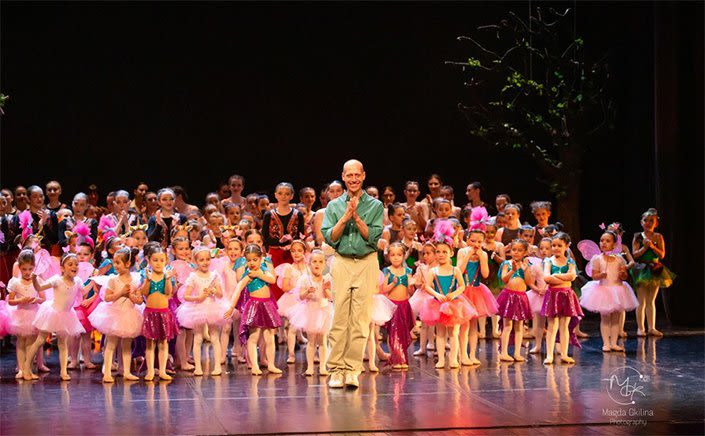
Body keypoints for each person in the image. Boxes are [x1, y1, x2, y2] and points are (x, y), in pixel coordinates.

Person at [322, 159, 383, 389]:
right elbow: (330, 237)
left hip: (366, 262)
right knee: (339, 318)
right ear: (343, 177)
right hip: (342, 261)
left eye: (357, 174)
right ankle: (336, 369)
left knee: (360, 319)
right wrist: (345, 216)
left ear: (364, 176)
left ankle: (352, 369)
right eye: (349, 175)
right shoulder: (334, 206)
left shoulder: (375, 206)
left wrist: (356, 217)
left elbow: (372, 237)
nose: (354, 179)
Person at [25, 253, 86, 380]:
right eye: (70, 264)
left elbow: (84, 291)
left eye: (76, 264)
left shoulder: (78, 281)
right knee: (40, 340)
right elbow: (39, 287)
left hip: (67, 315)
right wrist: (34, 278)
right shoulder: (57, 280)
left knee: (63, 343)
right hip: (52, 312)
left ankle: (63, 372)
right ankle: (26, 368)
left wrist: (95, 281)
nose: (74, 266)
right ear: (62, 268)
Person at [224, 244, 282, 376]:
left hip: (267, 305)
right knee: (254, 336)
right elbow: (238, 288)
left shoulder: (263, 270)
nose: (252, 263)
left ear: (261, 259)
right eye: (249, 260)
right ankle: (255, 366)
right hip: (255, 306)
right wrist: (232, 307)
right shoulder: (249, 275)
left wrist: (259, 274)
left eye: (255, 260)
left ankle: (271, 364)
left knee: (269, 337)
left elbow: (272, 280)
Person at [88, 247, 144, 382]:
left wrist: (131, 295)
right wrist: (120, 293)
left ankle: (126, 371)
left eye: (118, 263)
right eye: (114, 262)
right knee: (111, 344)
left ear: (128, 264)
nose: (115, 265)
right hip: (115, 314)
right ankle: (107, 372)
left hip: (129, 314)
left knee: (127, 345)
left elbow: (139, 300)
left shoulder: (136, 280)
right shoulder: (113, 280)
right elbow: (107, 298)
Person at [579, 231, 638, 352]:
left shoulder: (619, 259)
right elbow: (594, 276)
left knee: (616, 319)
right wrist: (601, 275)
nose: (604, 243)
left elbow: (624, 276)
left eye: (607, 241)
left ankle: (614, 343)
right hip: (603, 291)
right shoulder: (597, 259)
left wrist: (622, 274)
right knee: (605, 318)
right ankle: (606, 343)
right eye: (602, 240)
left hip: (618, 290)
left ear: (614, 244)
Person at [176, 246, 228, 376]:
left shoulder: (214, 275)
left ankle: (217, 366)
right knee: (198, 338)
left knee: (214, 337)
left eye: (207, 259)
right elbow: (186, 296)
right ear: (196, 261)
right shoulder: (193, 276)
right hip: (198, 308)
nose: (205, 262)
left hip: (213, 308)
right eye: (201, 260)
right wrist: (198, 297)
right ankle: (198, 367)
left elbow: (220, 294)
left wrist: (213, 291)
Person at [288, 249, 334, 376]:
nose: (317, 264)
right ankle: (310, 367)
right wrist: (307, 292)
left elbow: (331, 298)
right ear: (309, 264)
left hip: (324, 311)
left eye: (320, 262)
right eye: (314, 261)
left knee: (323, 340)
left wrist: (325, 290)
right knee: (311, 340)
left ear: (324, 264)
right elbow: (300, 297)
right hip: (311, 311)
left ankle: (323, 367)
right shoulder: (305, 279)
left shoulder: (327, 278)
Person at [631, 208, 675, 337]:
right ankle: (640, 328)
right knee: (641, 300)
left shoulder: (658, 237)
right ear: (641, 222)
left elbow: (662, 255)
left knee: (651, 300)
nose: (648, 223)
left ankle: (651, 328)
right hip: (642, 269)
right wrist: (645, 247)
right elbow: (635, 255)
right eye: (646, 220)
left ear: (656, 224)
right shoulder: (638, 236)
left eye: (651, 220)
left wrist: (652, 246)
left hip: (655, 268)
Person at [541, 232, 583, 364]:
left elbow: (572, 276)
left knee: (564, 325)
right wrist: (564, 278)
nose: (556, 248)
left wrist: (556, 276)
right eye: (553, 245)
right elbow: (547, 278)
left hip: (566, 295)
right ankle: (549, 355)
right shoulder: (548, 261)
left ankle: (564, 354)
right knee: (552, 325)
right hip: (553, 295)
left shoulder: (570, 262)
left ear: (567, 246)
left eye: (559, 245)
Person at [6, 250, 46, 379]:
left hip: (33, 314)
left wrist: (36, 300)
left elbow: (43, 298)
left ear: (34, 267)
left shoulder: (37, 280)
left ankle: (28, 369)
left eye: (30, 269)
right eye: (24, 269)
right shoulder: (15, 282)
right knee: (21, 342)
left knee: (31, 343)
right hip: (20, 315)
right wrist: (21, 300)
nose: (27, 272)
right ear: (19, 267)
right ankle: (21, 369)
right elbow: (10, 301)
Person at [496, 239, 534, 362]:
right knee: (507, 325)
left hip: (521, 297)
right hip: (509, 296)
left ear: (525, 252)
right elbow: (504, 279)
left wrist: (525, 269)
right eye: (514, 250)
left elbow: (529, 282)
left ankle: (517, 353)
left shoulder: (526, 265)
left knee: (519, 326)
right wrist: (513, 270)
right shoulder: (506, 263)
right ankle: (504, 352)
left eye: (519, 250)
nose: (516, 252)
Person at [380, 243, 415, 370]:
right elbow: (384, 289)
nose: (396, 258)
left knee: (403, 332)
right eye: (393, 255)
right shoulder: (387, 271)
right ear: (388, 256)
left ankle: (403, 358)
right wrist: (392, 284)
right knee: (393, 332)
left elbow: (411, 291)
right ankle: (395, 359)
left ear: (403, 256)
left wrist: (411, 286)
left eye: (399, 255)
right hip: (392, 306)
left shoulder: (407, 271)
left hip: (404, 305)